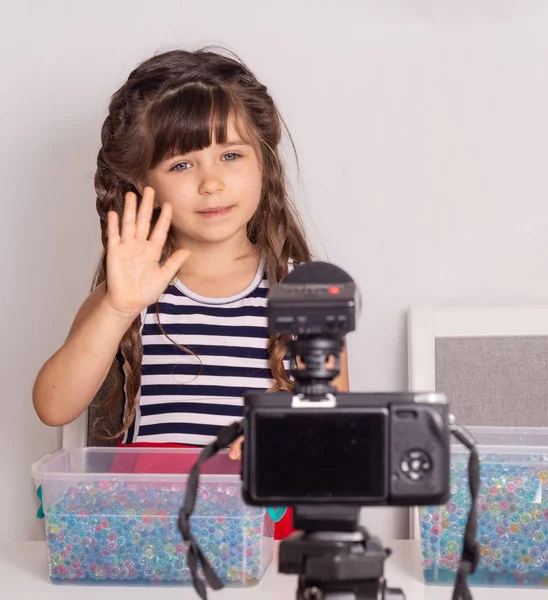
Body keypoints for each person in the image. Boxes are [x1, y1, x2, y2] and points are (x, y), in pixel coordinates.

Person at [32, 47, 350, 539]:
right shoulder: (127, 295)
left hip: (260, 537)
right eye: (181, 165)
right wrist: (118, 307)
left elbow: (338, 434)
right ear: (141, 180)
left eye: (230, 154)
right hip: (148, 530)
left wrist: (289, 424)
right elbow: (53, 406)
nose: (212, 182)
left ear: (263, 159)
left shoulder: (305, 291)